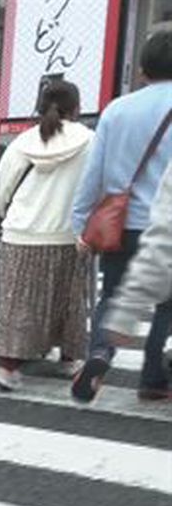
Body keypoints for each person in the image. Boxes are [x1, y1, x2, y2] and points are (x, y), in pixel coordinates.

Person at [71, 31, 172, 403]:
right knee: (167, 305)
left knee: (112, 296)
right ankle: (154, 379)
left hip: (122, 225)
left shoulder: (116, 109)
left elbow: (92, 174)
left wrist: (81, 224)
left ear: (143, 69)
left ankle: (100, 353)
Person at [0, 81, 94, 391]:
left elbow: (2, 187)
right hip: (68, 235)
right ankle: (70, 359)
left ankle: (8, 368)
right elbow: (97, 184)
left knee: (17, 302)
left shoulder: (23, 142)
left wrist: (8, 216)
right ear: (76, 108)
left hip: (21, 233)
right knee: (70, 301)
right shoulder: (90, 140)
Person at [104, 160, 172, 377]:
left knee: (164, 305)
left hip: (123, 222)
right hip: (137, 223)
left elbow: (164, 237)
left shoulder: (109, 124)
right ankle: (153, 376)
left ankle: (150, 375)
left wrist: (128, 309)